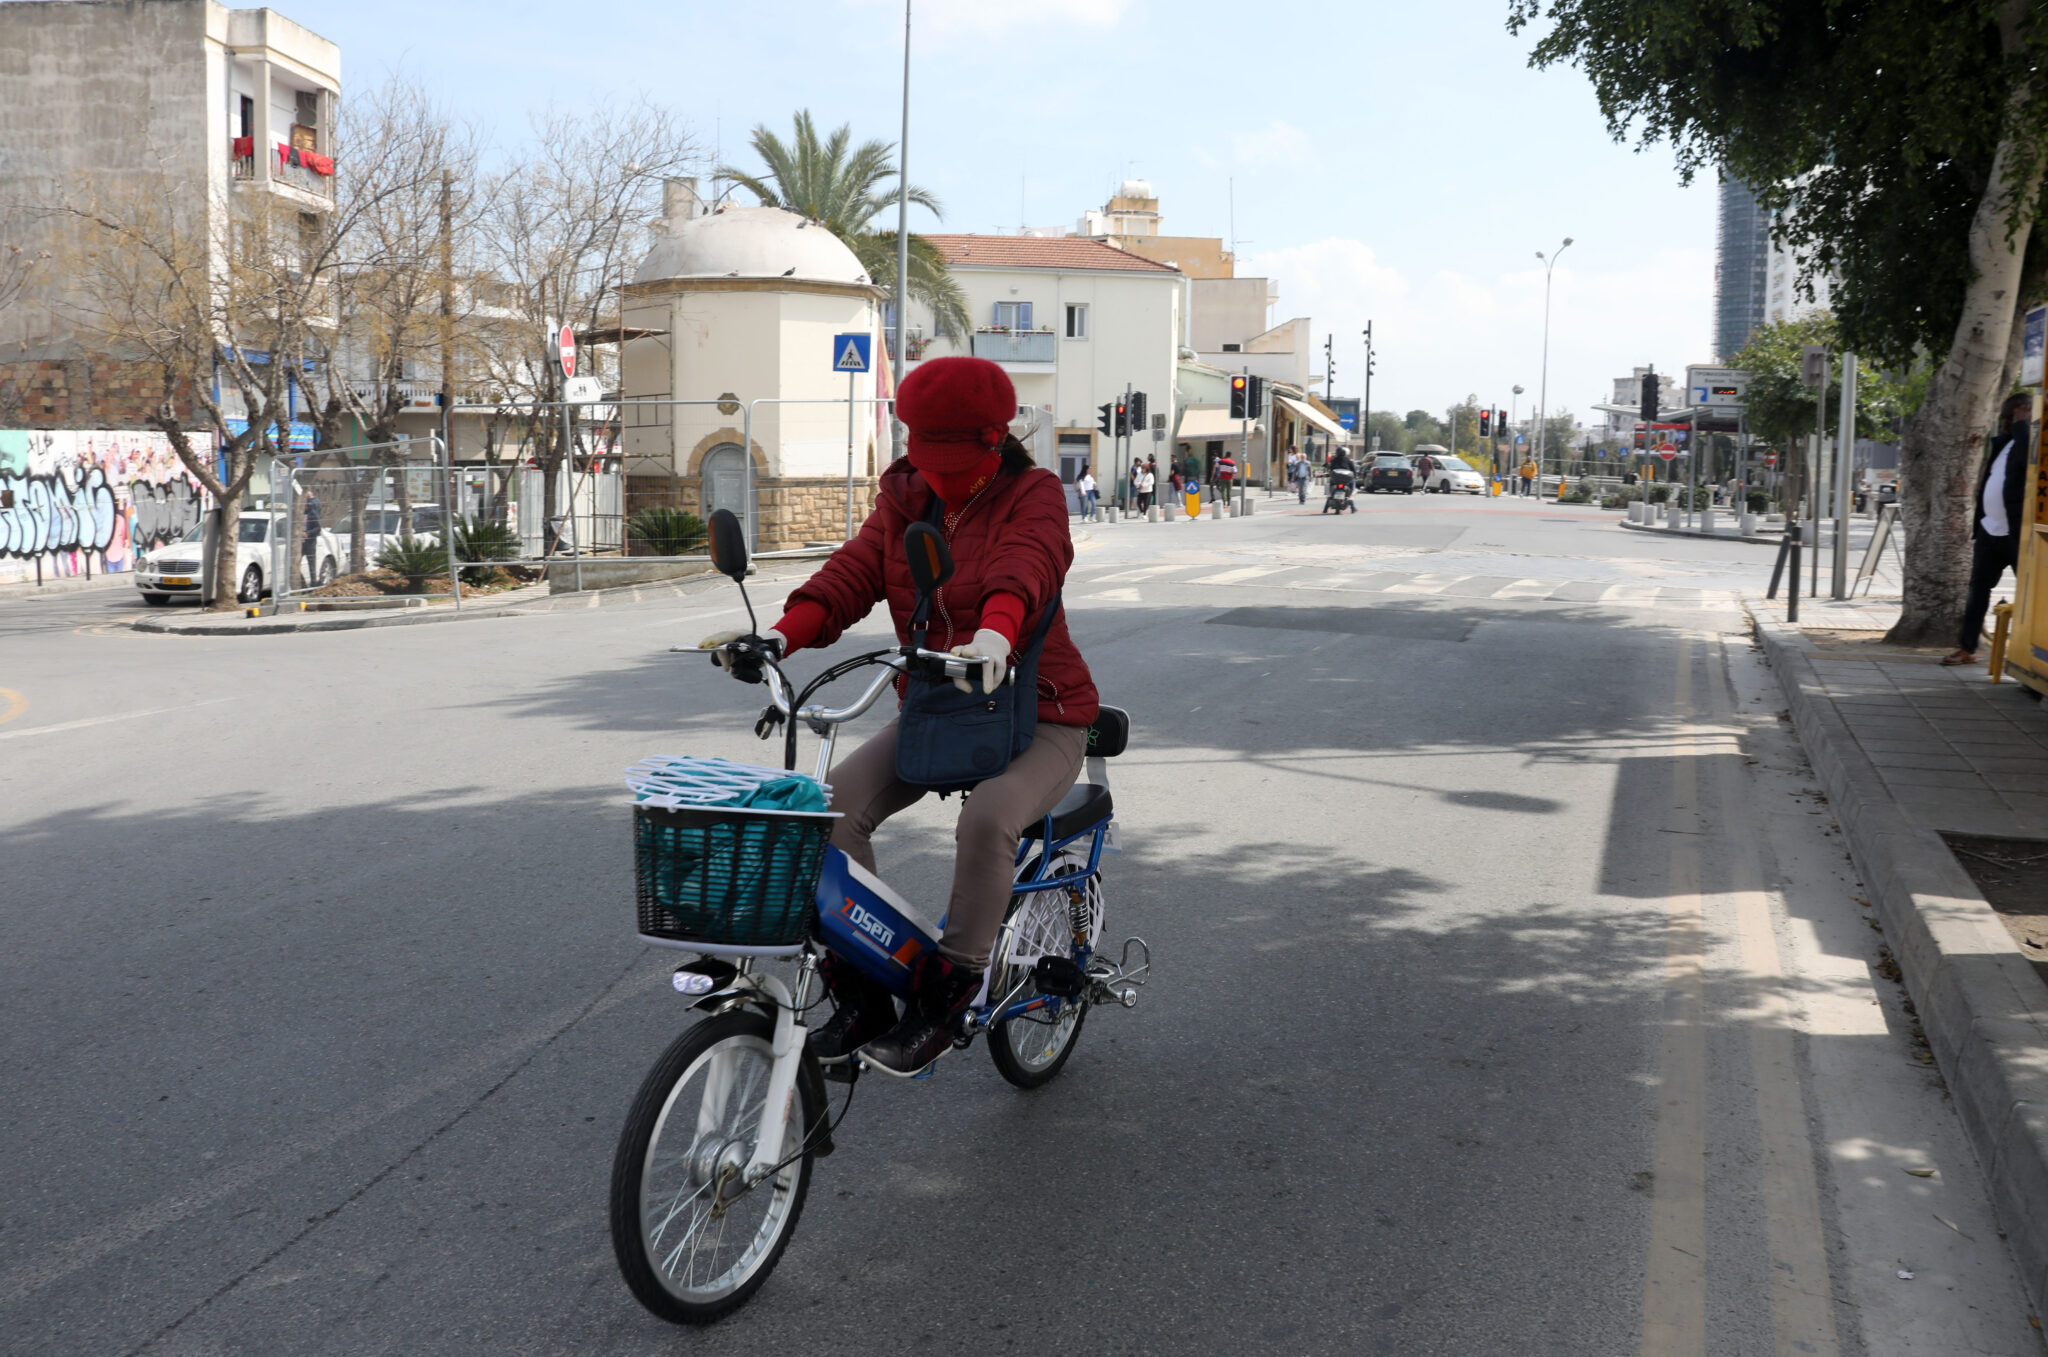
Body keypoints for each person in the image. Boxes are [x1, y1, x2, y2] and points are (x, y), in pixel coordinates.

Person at [700, 357, 1099, 1076]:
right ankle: (864, 993)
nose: (940, 478)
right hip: (939, 705)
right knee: (829, 812)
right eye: (928, 458)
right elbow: (851, 574)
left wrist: (995, 636)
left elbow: (1027, 565)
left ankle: (948, 995)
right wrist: (781, 636)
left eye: (956, 464)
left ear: (996, 441)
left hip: (1041, 709)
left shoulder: (1034, 493)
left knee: (988, 819)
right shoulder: (905, 497)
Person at [1943, 393, 2032, 666]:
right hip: (1989, 531)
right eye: (2013, 414)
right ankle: (1967, 648)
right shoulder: (2004, 443)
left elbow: (2027, 456)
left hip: (2017, 534)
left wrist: (2024, 425)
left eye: (2021, 413)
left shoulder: (2030, 441)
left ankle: (2028, 652)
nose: (2015, 419)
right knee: (1978, 591)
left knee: (2029, 593)